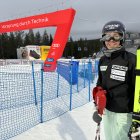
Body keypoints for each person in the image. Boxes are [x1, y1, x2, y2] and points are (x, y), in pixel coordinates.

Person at [93, 21, 136, 140]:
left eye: (116, 36)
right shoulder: (102, 60)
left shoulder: (131, 60)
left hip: (124, 114)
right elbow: (99, 85)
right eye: (107, 36)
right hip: (107, 112)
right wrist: (97, 107)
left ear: (122, 38)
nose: (111, 40)